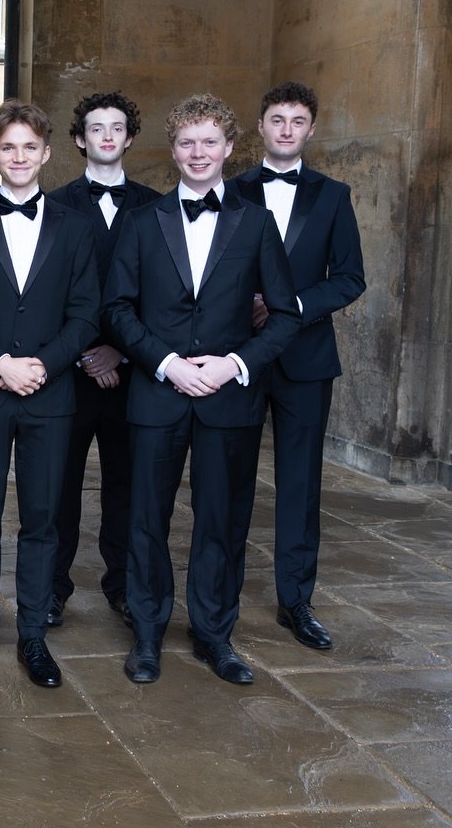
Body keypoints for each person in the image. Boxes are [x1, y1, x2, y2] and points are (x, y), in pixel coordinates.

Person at [104, 93, 299, 686]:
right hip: (157, 393)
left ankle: (215, 635)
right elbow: (116, 309)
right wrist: (165, 363)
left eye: (209, 141)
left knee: (222, 521)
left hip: (228, 399)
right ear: (174, 148)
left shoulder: (256, 222)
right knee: (144, 519)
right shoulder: (141, 222)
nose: (197, 152)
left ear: (230, 148)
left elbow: (286, 315)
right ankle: (146, 635)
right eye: (186, 142)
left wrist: (233, 364)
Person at [0, 100, 99, 689]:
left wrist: (43, 366)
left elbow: (86, 315)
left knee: (42, 520)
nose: (18, 157)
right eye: (7, 147)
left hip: (50, 393)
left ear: (48, 153)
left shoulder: (75, 227)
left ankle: (33, 634)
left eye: (29, 147)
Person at [229, 81, 365, 650]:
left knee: (300, 485)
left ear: (311, 129)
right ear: (260, 127)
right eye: (277, 119)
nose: (286, 129)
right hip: (239, 356)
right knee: (227, 481)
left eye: (298, 120)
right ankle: (219, 600)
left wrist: (292, 307)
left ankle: (296, 602)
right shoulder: (230, 189)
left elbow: (351, 278)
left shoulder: (333, 195)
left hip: (307, 360)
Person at [46, 92, 161, 628]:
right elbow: (51, 292)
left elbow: (164, 296)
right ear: (79, 139)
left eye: (118, 128)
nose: (108, 137)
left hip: (135, 372)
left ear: (130, 137)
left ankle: (121, 585)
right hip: (72, 372)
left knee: (126, 485)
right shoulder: (53, 204)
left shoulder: (159, 205)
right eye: (97, 129)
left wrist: (121, 350)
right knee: (59, 487)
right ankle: (52, 588)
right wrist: (87, 353)